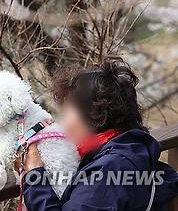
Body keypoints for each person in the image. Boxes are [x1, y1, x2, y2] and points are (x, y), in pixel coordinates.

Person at [20, 58, 178, 211]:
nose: (62, 123)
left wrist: (35, 176)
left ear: (96, 114)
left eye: (67, 112)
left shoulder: (108, 170)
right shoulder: (131, 149)